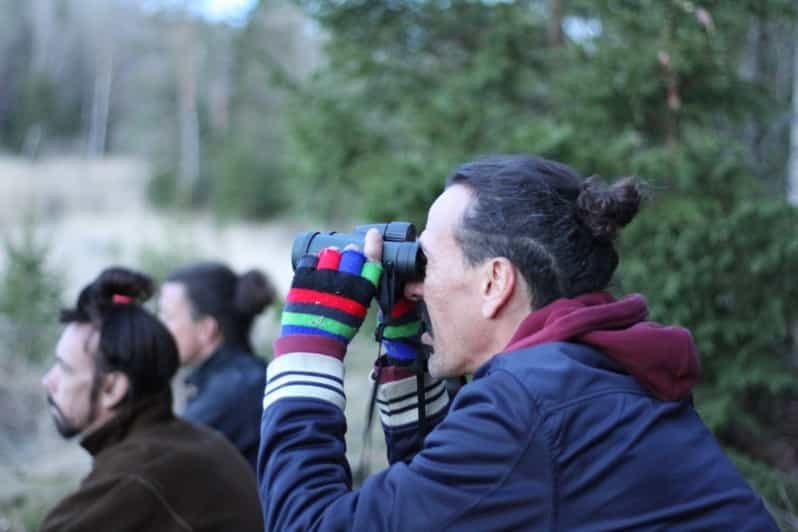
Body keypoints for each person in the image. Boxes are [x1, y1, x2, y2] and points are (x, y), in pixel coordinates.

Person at [258, 154, 778, 530]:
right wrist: (404, 361)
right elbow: (451, 502)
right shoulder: (593, 370)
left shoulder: (530, 405)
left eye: (427, 263)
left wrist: (310, 342)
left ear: (495, 283)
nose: (414, 285)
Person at [40, 267, 263, 532]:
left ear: (113, 389)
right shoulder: (201, 440)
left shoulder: (133, 479)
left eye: (64, 369)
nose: (48, 380)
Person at [159, 261, 275, 469]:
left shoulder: (235, 389)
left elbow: (158, 463)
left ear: (206, 329)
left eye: (168, 317)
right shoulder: (243, 378)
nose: (160, 328)